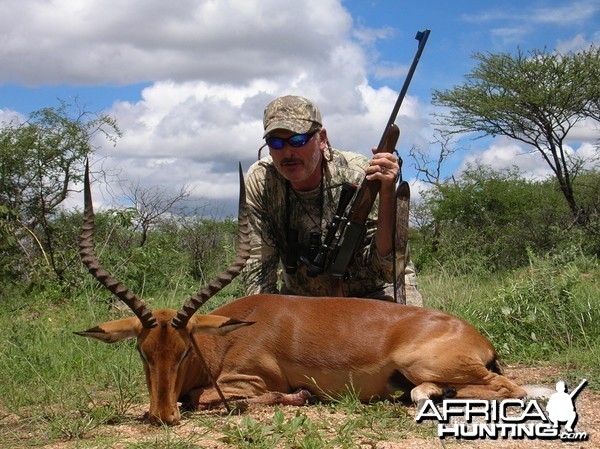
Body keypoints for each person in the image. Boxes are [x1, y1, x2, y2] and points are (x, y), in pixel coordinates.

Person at [241, 95, 422, 305]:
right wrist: (261, 317)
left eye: (298, 140)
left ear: (322, 139)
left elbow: (387, 270)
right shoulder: (262, 181)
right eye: (276, 142)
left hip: (376, 291)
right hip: (303, 299)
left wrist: (388, 193)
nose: (287, 152)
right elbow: (258, 263)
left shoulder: (360, 174)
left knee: (409, 331)